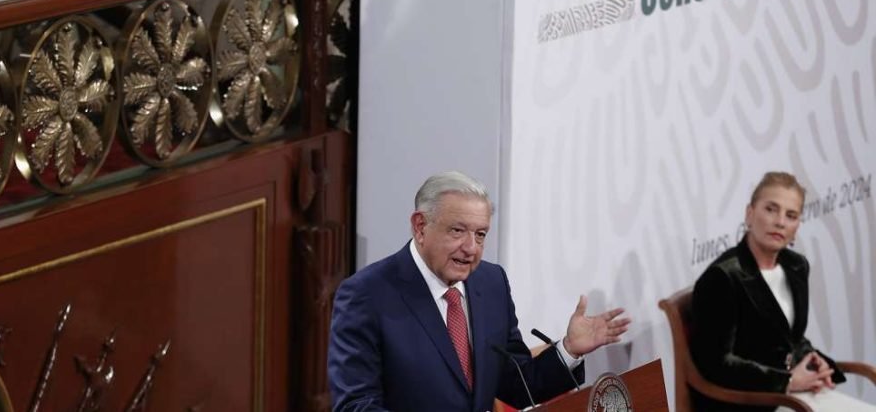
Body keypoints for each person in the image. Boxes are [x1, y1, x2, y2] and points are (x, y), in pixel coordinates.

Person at [328, 171, 631, 411]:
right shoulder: (366, 295)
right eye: (457, 231)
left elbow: (516, 384)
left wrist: (568, 349)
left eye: (480, 234)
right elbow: (356, 405)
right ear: (420, 227)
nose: (471, 248)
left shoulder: (491, 282)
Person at [691, 171, 876, 411]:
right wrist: (785, 381)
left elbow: (789, 338)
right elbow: (714, 363)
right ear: (749, 214)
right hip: (742, 403)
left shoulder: (796, 266)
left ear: (797, 225)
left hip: (790, 397)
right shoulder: (722, 277)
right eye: (771, 209)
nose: (780, 222)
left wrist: (812, 359)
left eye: (791, 215)